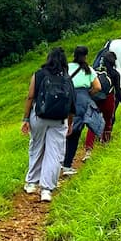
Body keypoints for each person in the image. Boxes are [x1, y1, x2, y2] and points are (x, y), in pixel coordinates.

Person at [21, 47, 74, 202]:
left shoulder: (38, 74)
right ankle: (46, 190)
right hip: (59, 120)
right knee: (54, 152)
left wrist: (25, 119)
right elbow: (72, 104)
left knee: (36, 147)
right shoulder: (67, 78)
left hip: (39, 116)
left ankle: (31, 183)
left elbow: (30, 97)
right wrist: (70, 124)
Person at [62, 46, 104, 175]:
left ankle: (55, 162)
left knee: (61, 131)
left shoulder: (66, 67)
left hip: (65, 98)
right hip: (81, 100)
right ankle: (67, 165)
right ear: (86, 55)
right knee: (74, 133)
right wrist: (87, 95)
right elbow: (98, 87)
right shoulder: (88, 69)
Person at [84, 41, 121, 162]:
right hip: (108, 98)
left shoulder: (95, 71)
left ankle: (88, 150)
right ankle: (105, 143)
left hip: (95, 98)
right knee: (108, 121)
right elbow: (118, 91)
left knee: (92, 123)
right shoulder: (115, 74)